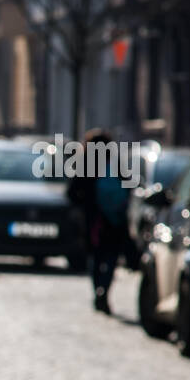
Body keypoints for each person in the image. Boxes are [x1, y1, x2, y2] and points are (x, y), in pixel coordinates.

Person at [66, 127, 130, 314]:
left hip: (93, 221)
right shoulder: (115, 163)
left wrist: (86, 203)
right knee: (110, 258)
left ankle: (97, 292)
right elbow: (130, 185)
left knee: (95, 258)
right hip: (114, 220)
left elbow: (72, 194)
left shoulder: (84, 164)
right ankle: (105, 291)